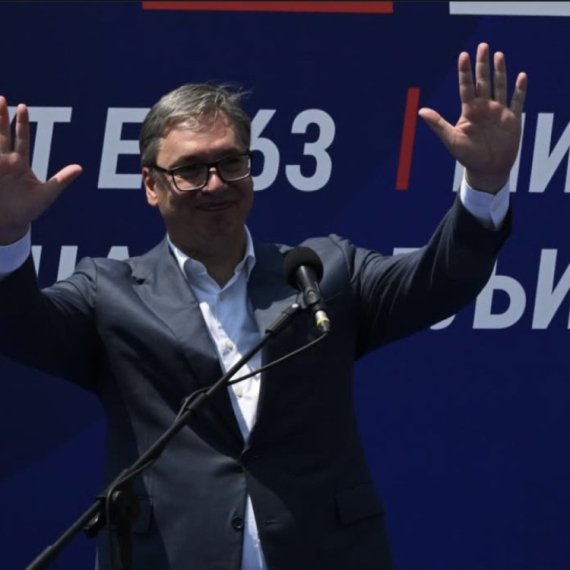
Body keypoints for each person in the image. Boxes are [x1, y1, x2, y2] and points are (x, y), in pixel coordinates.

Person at [0, 42, 526, 570]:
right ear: (151, 185)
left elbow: (440, 282)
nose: (214, 185)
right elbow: (18, 327)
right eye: (190, 169)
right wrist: (7, 235)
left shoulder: (321, 272)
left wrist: (485, 187)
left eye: (231, 162)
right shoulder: (111, 294)